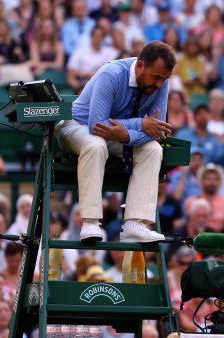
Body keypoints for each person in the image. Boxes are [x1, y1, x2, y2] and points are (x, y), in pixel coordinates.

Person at [55, 41, 177, 243]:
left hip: (118, 135)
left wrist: (127, 136)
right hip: (77, 125)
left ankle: (135, 224)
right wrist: (139, 124)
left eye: (164, 79)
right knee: (95, 145)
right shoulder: (110, 74)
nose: (159, 85)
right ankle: (91, 222)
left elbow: (157, 129)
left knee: (153, 150)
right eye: (156, 77)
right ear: (140, 66)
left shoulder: (162, 82)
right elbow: (97, 125)